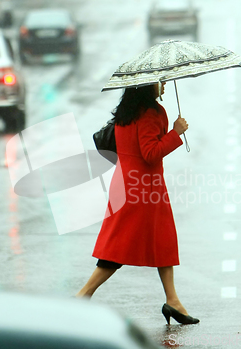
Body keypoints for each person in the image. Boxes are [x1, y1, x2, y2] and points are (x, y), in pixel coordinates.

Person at [76, 81, 199, 325]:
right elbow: (150, 153)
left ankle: (173, 300)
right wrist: (176, 132)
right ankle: (83, 294)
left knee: (161, 242)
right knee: (119, 248)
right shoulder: (152, 112)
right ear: (146, 87)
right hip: (144, 190)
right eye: (159, 82)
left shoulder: (126, 112)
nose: (163, 85)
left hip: (126, 184)